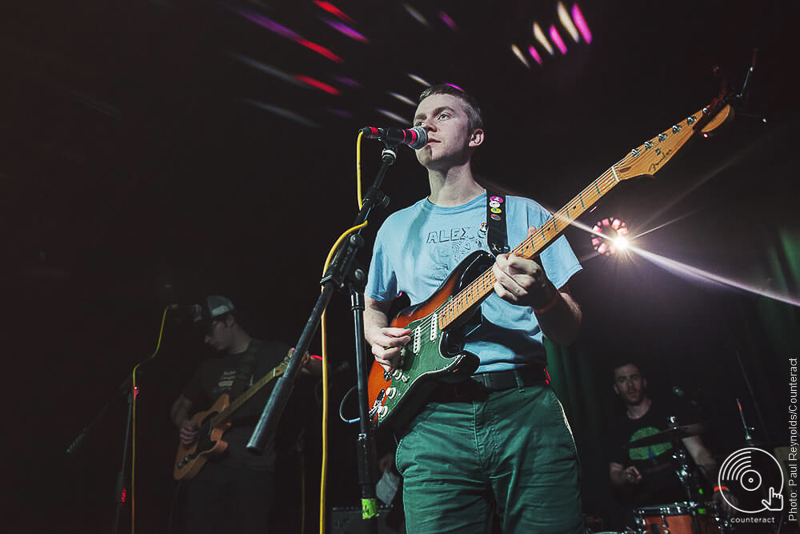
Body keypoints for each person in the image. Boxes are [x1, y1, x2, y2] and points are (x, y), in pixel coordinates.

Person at [364, 84, 584, 534]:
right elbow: (374, 303)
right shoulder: (394, 227)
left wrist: (544, 295)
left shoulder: (524, 213)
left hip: (523, 410)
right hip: (430, 424)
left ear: (475, 137)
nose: (425, 124)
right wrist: (374, 331)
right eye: (420, 118)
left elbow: (571, 329)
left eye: (442, 115)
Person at [170, 295, 318, 534]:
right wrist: (184, 425)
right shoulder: (209, 367)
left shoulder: (272, 353)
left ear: (228, 320)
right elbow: (178, 407)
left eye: (209, 330)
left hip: (252, 470)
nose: (206, 339)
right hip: (205, 470)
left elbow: (324, 368)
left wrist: (309, 362)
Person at [607, 361, 734, 526]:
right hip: (649, 512)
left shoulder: (669, 412)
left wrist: (720, 488)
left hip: (687, 503)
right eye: (623, 380)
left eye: (634, 378)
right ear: (616, 388)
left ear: (644, 382)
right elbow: (614, 474)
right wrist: (624, 476)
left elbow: (700, 454)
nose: (630, 385)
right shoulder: (618, 429)